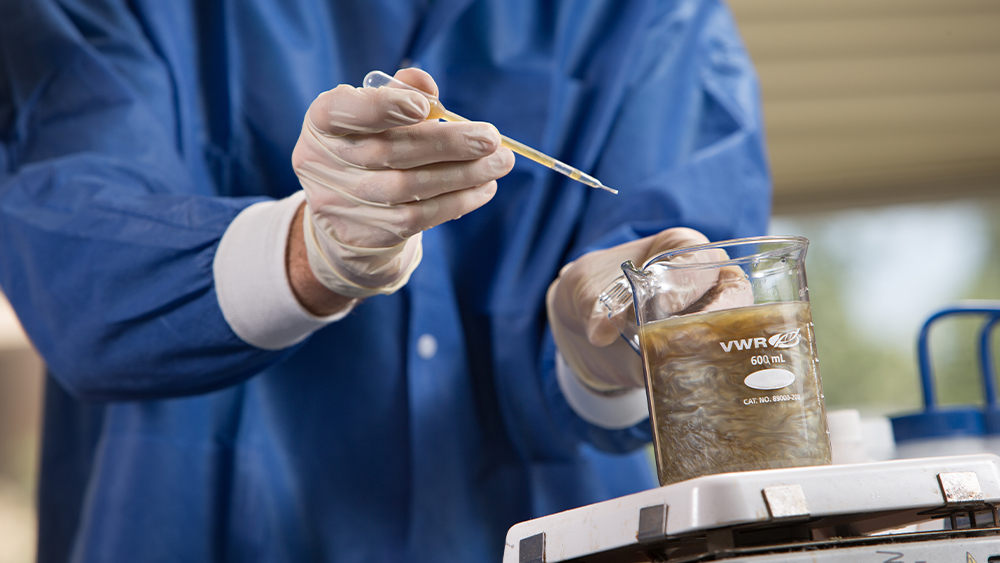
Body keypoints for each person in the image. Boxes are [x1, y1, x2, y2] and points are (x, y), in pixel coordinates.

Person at [0, 0, 770, 561]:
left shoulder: (655, 18)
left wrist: (611, 342)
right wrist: (308, 250)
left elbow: (676, 257)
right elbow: (74, 249)